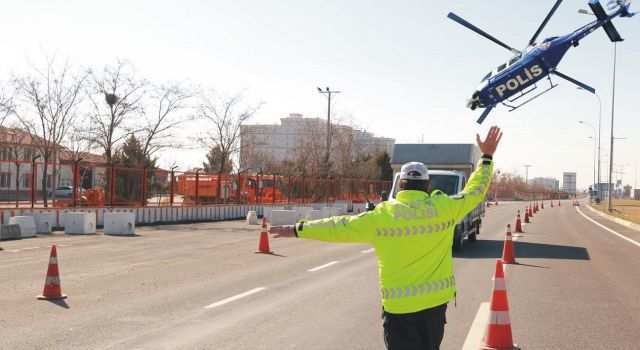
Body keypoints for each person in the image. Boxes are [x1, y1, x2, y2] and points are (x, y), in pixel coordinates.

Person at [269, 126, 502, 350]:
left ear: (400, 185)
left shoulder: (381, 216)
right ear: (427, 186)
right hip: (434, 306)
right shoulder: (444, 209)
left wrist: (299, 228)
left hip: (399, 309)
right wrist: (487, 157)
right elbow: (475, 191)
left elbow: (337, 227)